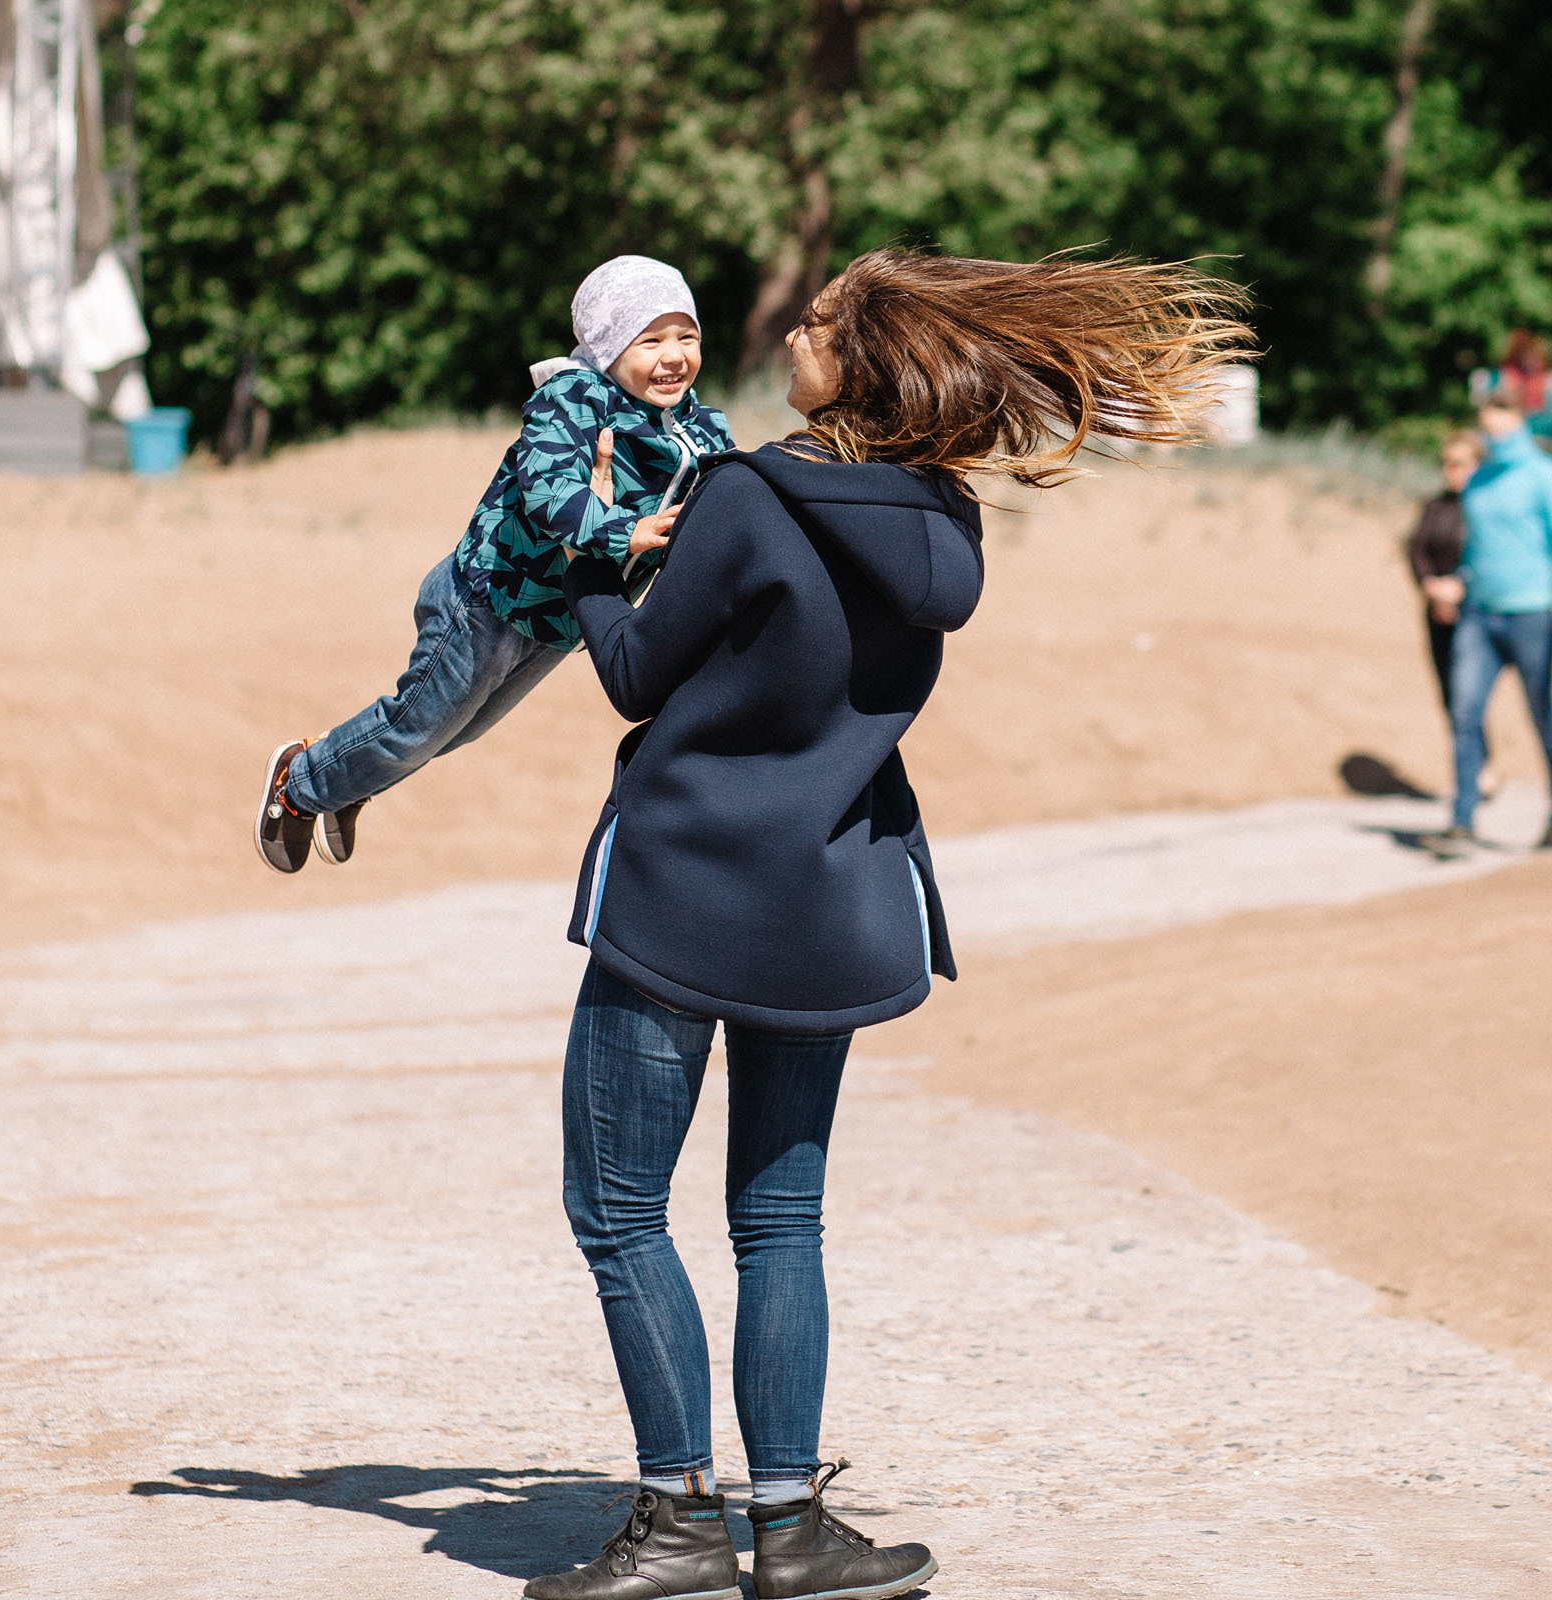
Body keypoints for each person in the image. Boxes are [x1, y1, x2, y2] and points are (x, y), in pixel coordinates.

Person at [524, 247, 1250, 1600]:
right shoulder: (941, 524)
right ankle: (789, 1528)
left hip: (686, 890)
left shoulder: (747, 494)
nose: (788, 334)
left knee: (617, 1206)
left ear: (856, 361)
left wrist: (570, 561)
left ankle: (678, 1518)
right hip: (835, 900)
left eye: (811, 322)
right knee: (779, 1218)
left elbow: (633, 673)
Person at [252, 255, 735, 875]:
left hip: (558, 622)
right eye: (651, 339)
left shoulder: (698, 427)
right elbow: (546, 490)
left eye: (687, 336)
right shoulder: (571, 397)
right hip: (487, 598)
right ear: (610, 344)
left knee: (460, 731)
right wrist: (626, 530)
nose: (674, 355)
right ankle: (301, 783)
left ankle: (355, 775)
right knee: (417, 727)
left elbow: (728, 494)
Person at [1440, 396, 1552, 852]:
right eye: (1487, 421)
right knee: (1464, 712)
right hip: (1479, 616)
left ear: (1520, 420)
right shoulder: (1478, 479)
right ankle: (1462, 816)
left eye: (1502, 420)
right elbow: (1476, 544)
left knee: (1542, 714)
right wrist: (1458, 582)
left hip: (1531, 614)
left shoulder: (1545, 475)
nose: (1494, 430)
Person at [1406, 430, 1484, 718]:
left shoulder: (1486, 508)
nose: (1451, 470)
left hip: (1475, 612)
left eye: (1460, 462)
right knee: (1449, 695)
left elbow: (1490, 555)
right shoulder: (1434, 506)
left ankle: (1479, 759)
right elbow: (1416, 551)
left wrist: (1461, 587)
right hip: (1437, 612)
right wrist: (1432, 587)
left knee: (1470, 695)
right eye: (1447, 462)